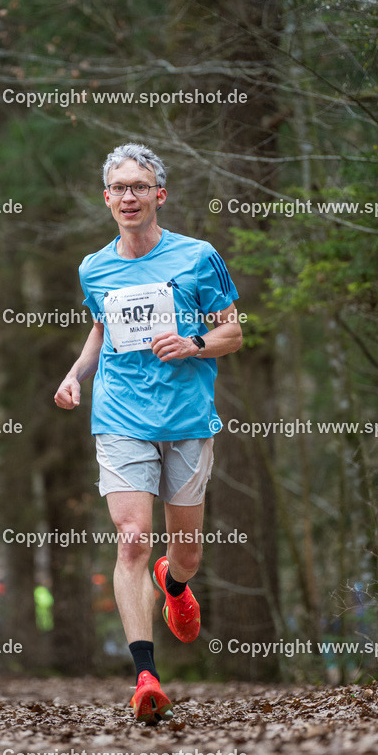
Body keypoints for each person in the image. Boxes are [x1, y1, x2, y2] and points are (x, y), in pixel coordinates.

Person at [54, 143, 242, 724]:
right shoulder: (94, 267)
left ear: (158, 194)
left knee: (184, 552)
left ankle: (174, 584)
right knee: (132, 537)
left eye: (139, 187)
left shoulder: (198, 257)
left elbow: (233, 332)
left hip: (186, 417)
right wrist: (76, 374)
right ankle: (144, 676)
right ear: (106, 198)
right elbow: (101, 330)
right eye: (118, 188)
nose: (128, 197)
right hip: (120, 416)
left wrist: (194, 345)